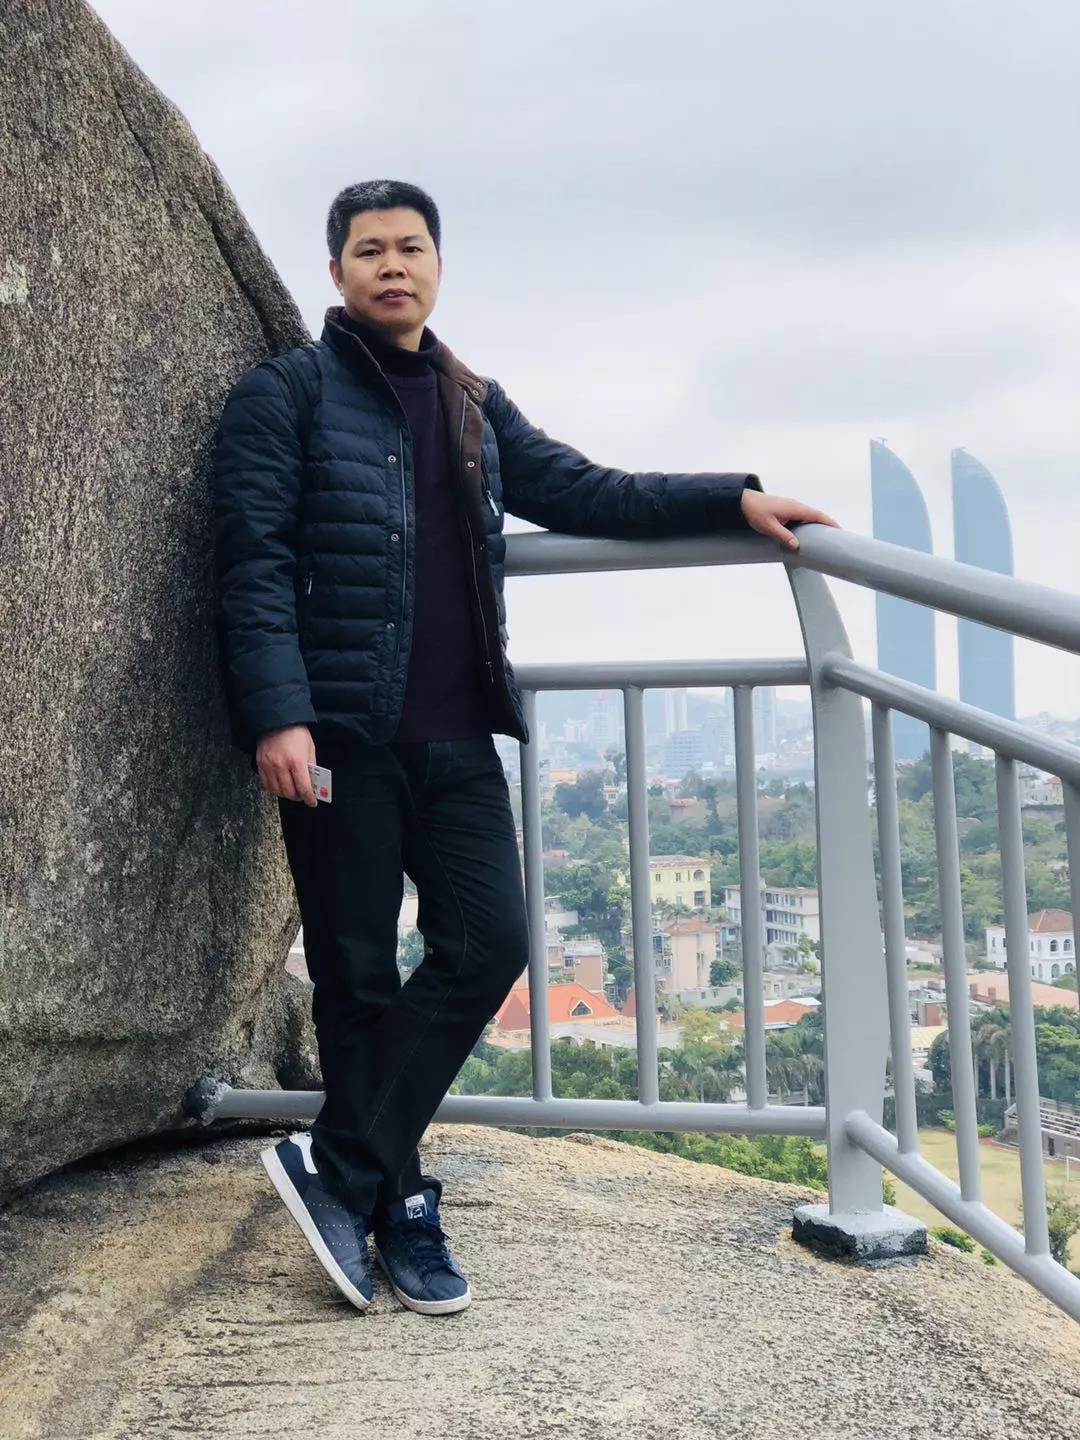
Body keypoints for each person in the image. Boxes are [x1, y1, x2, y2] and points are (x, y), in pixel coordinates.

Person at [211, 178, 837, 1316]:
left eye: (411, 248)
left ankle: (339, 1168)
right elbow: (250, 560)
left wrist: (731, 498)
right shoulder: (286, 395)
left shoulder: (471, 403)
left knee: (487, 942)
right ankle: (399, 1203)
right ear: (337, 273)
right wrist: (277, 714)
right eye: (369, 250)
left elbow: (585, 489)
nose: (392, 266)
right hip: (339, 733)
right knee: (355, 977)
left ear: (437, 268)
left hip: (457, 736)